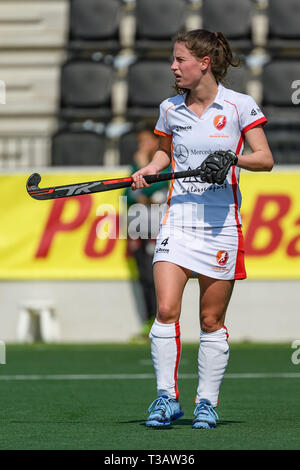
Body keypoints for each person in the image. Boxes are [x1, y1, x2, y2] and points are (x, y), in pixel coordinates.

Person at [131, 29, 274, 429]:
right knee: (165, 309)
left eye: (180, 60)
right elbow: (164, 152)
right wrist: (150, 169)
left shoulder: (239, 105)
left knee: (210, 322)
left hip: (221, 225)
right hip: (179, 219)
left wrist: (231, 158)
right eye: (174, 61)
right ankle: (165, 398)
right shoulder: (169, 108)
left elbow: (264, 158)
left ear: (204, 63)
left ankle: (206, 403)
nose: (174, 67)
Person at [124, 127, 170, 338]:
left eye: (145, 140)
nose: (141, 145)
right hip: (139, 227)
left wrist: (143, 170)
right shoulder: (136, 164)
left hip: (158, 228)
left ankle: (160, 321)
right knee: (144, 276)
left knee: (156, 277)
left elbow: (159, 188)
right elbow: (128, 193)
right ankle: (149, 321)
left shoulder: (164, 163)